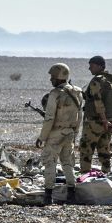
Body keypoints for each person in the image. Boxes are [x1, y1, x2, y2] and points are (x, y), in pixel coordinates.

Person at [35, 63, 83, 205]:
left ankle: (48, 196)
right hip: (69, 133)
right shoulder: (78, 92)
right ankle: (71, 195)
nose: (51, 79)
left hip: (56, 133)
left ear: (59, 77)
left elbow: (49, 118)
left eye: (52, 76)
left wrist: (42, 138)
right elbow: (79, 115)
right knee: (68, 163)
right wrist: (75, 132)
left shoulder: (55, 94)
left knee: (49, 162)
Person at [79, 55, 112, 174]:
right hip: (109, 123)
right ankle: (107, 177)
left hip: (95, 122)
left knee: (86, 150)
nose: (89, 69)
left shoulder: (97, 80)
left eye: (91, 66)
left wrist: (104, 120)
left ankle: (85, 179)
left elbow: (97, 102)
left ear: (99, 66)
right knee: (105, 153)